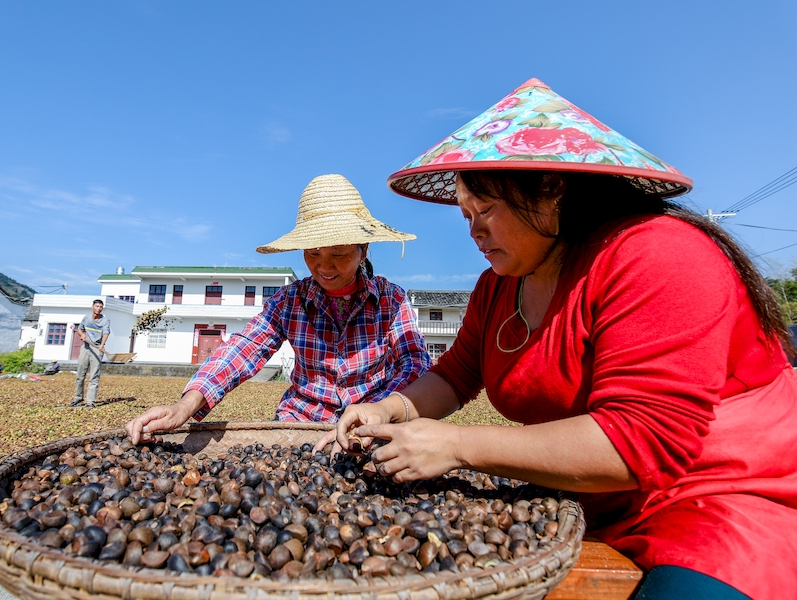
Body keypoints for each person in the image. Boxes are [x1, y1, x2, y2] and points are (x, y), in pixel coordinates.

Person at [335, 79, 797, 599]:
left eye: (485, 212)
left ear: (551, 188)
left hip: (715, 500)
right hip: (585, 498)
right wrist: (392, 408)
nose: (474, 233)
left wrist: (455, 445)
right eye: (466, 217)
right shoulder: (498, 286)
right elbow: (456, 373)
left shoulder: (660, 256)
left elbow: (638, 442)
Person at [126, 174, 431, 445]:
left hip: (372, 427)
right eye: (312, 253)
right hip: (300, 422)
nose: (324, 266)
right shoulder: (289, 301)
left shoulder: (391, 300)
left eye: (338, 253)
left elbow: (414, 362)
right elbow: (244, 348)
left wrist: (379, 409)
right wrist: (186, 405)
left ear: (363, 248)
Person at [69, 299, 109, 408]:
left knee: (94, 375)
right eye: (96, 306)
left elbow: (106, 333)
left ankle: (90, 401)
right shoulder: (86, 318)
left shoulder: (105, 320)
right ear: (92, 307)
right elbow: (80, 330)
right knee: (80, 374)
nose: (98, 308)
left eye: (100, 307)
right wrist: (82, 335)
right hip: (86, 347)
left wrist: (102, 344)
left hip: (97, 348)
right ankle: (78, 397)